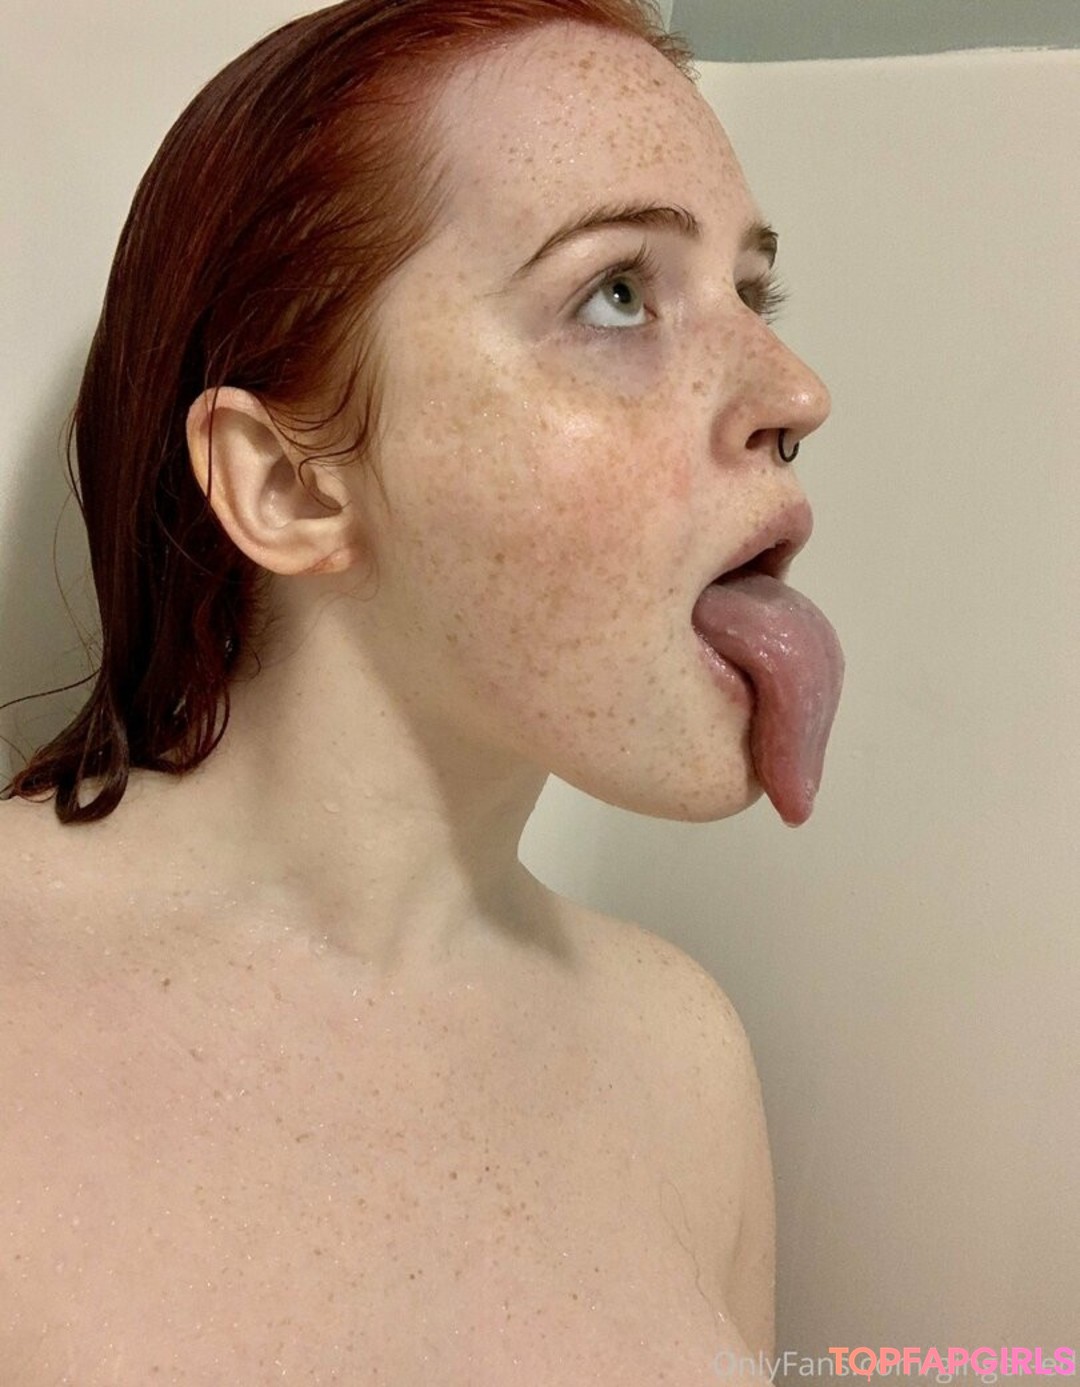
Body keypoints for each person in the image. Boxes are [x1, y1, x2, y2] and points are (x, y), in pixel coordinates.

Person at [0, 0, 843, 1379]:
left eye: (754, 294)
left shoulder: (684, 1059)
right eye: (616, 294)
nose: (798, 391)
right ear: (288, 486)